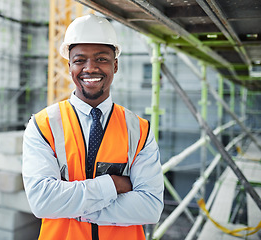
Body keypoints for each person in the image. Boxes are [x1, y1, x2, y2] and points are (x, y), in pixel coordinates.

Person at [22, 14, 164, 240]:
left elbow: (151, 207)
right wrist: (112, 185)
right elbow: (42, 202)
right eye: (80, 60)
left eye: (101, 59)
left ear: (115, 65)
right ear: (69, 66)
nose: (90, 68)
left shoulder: (139, 130)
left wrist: (72, 208)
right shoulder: (43, 125)